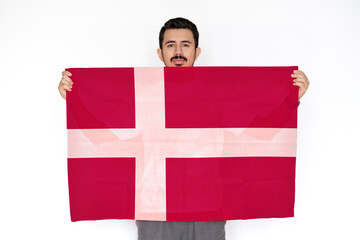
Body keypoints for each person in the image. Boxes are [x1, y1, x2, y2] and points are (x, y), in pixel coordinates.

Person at [58, 17, 310, 240]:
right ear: (160, 53)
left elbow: (256, 134)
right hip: (154, 208)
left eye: (185, 44)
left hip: (208, 207)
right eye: (171, 45)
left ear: (197, 51)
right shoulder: (142, 95)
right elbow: (104, 137)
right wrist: (75, 102)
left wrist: (290, 101)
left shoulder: (217, 96)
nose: (178, 51)